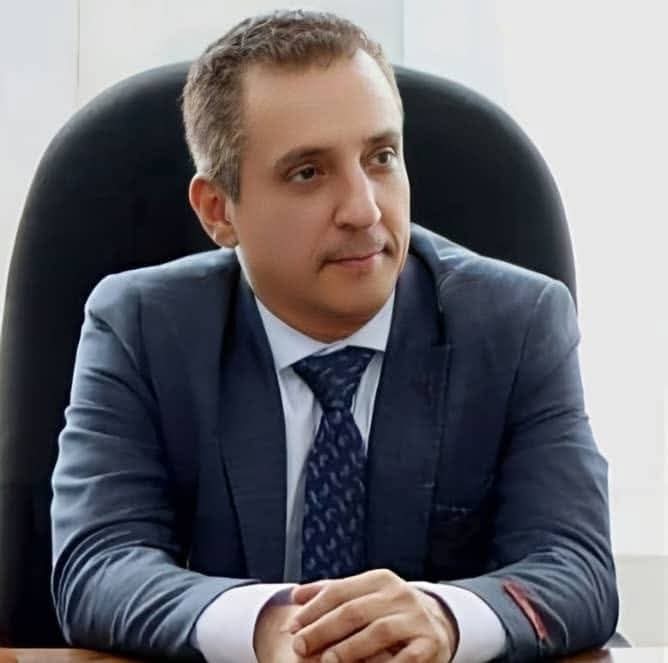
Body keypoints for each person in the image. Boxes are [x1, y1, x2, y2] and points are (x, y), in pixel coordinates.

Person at [50, 9, 618, 663]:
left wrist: (444, 616)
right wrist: (267, 625)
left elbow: (575, 566)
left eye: (381, 158)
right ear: (218, 210)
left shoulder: (517, 322)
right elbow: (99, 563)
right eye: (308, 173)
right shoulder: (142, 327)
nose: (363, 209)